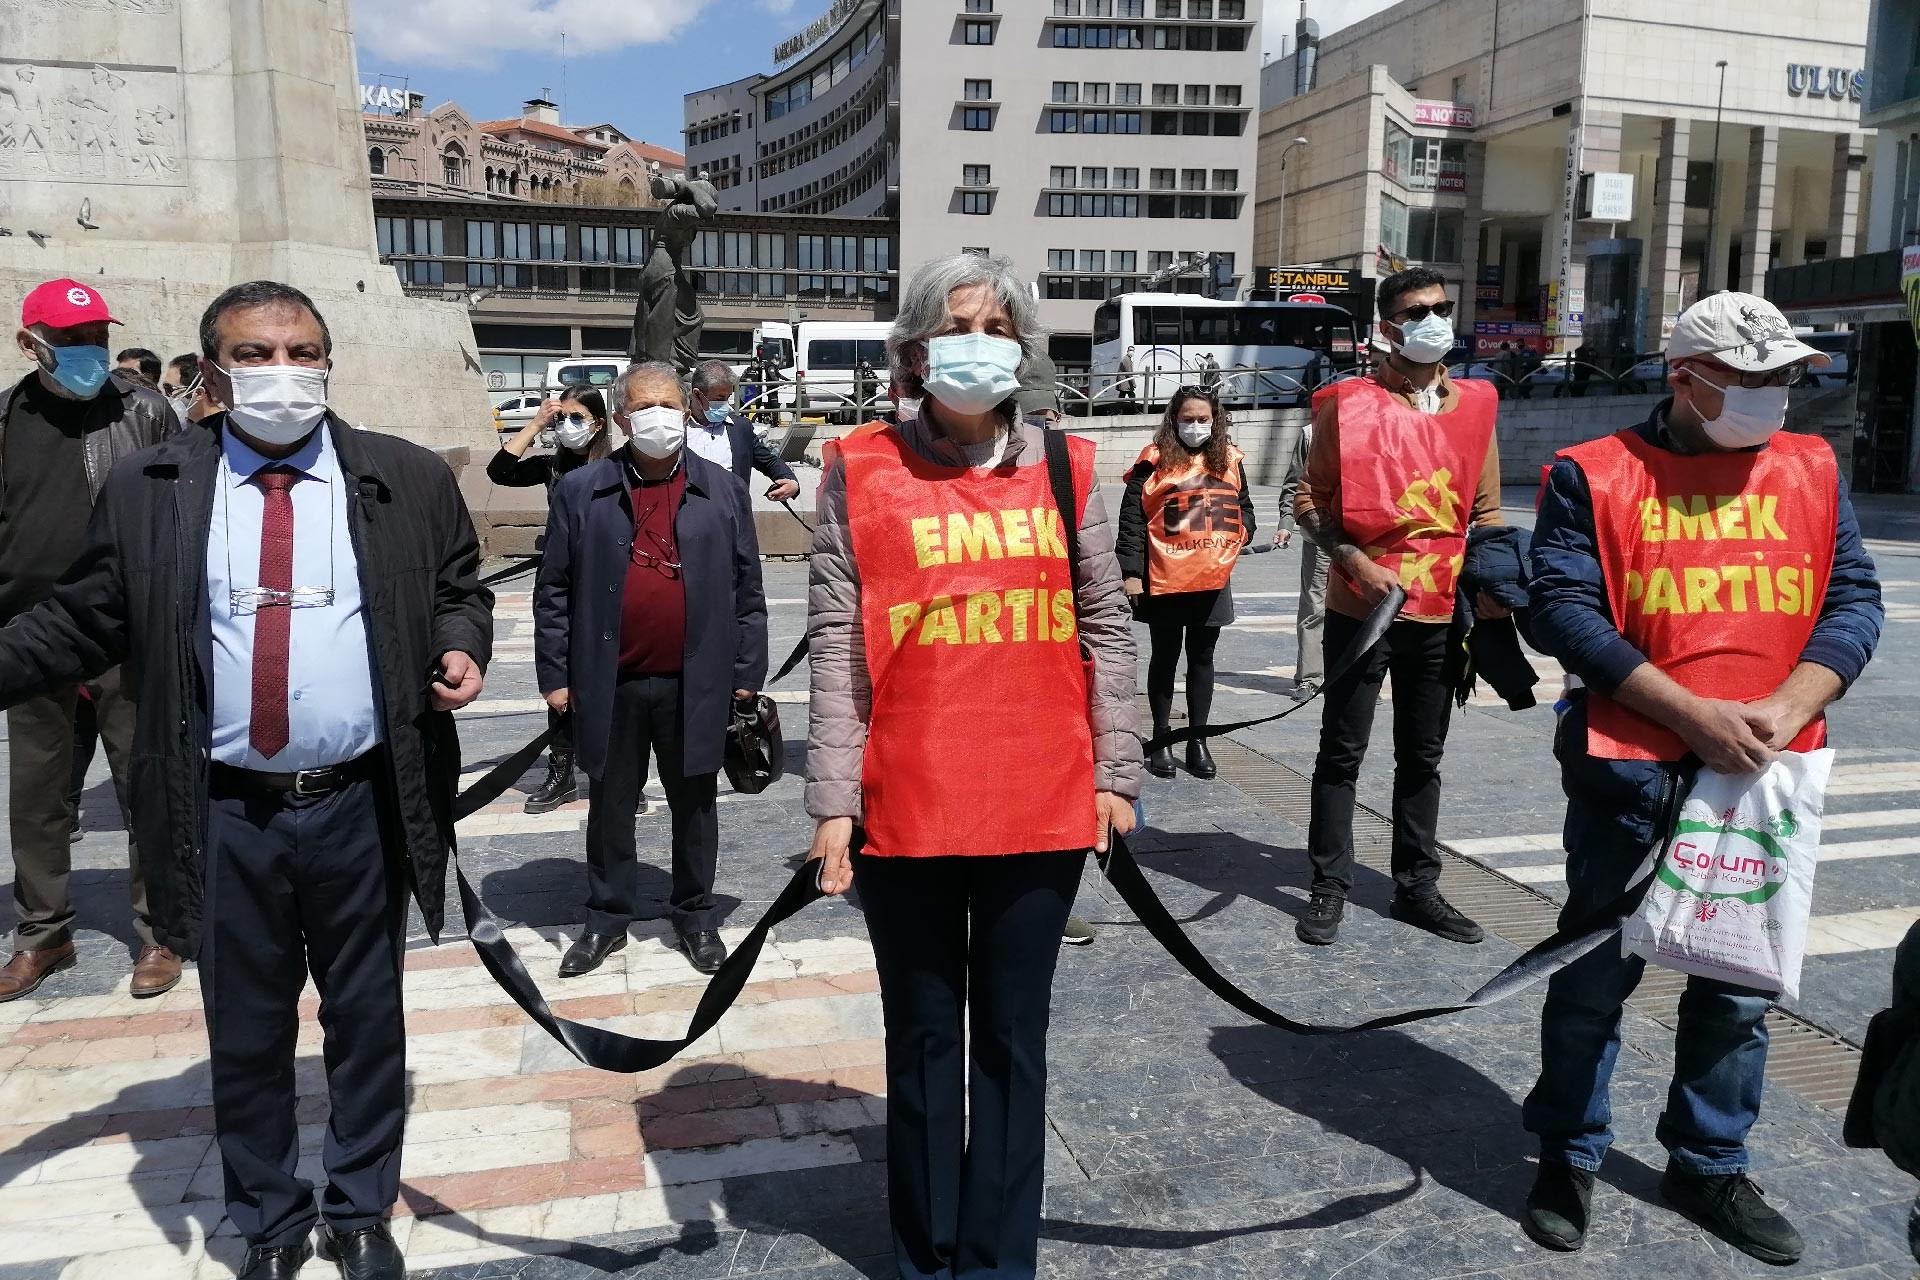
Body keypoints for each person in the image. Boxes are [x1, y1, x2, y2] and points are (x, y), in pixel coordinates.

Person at [0, 280, 490, 1279]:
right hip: (225, 808)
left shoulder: (401, 477)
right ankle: (269, 1216)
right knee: (250, 1027)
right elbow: (83, 617)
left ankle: (358, 1203)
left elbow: (455, 585)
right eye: (255, 354)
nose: (282, 371)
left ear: (327, 358)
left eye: (301, 349)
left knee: (366, 1017)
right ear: (214, 370)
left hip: (358, 803)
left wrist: (459, 641)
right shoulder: (154, 485)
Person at [1520, 291, 1882, 1264]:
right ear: (1686, 377)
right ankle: (1567, 1149)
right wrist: (1687, 712)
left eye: (1783, 378)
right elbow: (1560, 607)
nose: (1774, 396)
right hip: (1631, 771)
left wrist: (1794, 701)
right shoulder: (1592, 474)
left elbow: (1852, 598)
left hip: (1765, 771)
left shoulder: (1809, 467)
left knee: (1737, 985)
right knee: (1596, 972)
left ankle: (1709, 1158)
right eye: (1751, 380)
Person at [804, 252, 1143, 1280]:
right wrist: (830, 802)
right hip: (904, 802)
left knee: (1009, 1040)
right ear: (914, 349)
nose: (979, 345)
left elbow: (1108, 627)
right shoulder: (857, 466)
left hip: (1039, 802)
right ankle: (924, 1253)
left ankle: (997, 1261)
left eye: (999, 328)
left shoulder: (1068, 466)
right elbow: (835, 642)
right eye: (959, 326)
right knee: (920, 1042)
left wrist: (1115, 773)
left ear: (1023, 349)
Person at [1292, 266, 1503, 948]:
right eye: (1418, 311)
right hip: (1362, 608)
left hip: (1442, 611)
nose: (1434, 320)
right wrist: (1353, 560)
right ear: (1388, 328)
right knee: (1341, 753)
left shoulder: (1476, 407)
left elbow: (1488, 510)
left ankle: (1417, 887)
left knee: (1423, 756)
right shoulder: (1347, 406)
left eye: (1442, 307)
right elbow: (1308, 499)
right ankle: (1329, 884)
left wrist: (1497, 581)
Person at [537, 361, 768, 979]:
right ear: (621, 417)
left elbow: (748, 587)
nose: (660, 417)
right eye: (646, 407)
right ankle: (607, 917)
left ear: (686, 410)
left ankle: (695, 913)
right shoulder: (581, 491)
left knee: (695, 802)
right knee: (610, 803)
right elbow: (554, 589)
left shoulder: (721, 489)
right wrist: (555, 676)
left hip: (695, 681)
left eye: (670, 405)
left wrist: (749, 670)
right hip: (608, 682)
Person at [0, 278, 178, 1001]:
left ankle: (162, 930)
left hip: (124, 634)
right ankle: (44, 933)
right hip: (27, 636)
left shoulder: (144, 408)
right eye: (72, 340)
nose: (89, 353)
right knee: (38, 795)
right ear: (31, 343)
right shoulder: (7, 418)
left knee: (147, 785)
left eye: (96, 338)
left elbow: (183, 502)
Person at [1118, 385, 1255, 780]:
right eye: (1187, 419)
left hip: (1211, 577)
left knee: (1202, 657)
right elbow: (1132, 519)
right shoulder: (1153, 461)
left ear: (1216, 420)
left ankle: (1198, 739)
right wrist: (1131, 574)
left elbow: (1244, 507)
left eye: (1203, 419)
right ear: (1173, 420)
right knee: (1164, 656)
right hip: (1163, 577)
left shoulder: (1229, 460)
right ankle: (1161, 738)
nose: (1195, 426)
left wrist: (1239, 532)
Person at [488, 386, 613, 814]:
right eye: (562, 419)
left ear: (598, 422)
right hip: (561, 581)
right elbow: (500, 471)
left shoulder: (618, 466)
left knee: (614, 677)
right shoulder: (553, 468)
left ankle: (616, 773)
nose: (568, 427)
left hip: (608, 583)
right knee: (561, 677)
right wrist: (537, 422)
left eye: (577, 418)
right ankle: (562, 771)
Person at [685, 359, 801, 501]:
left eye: (728, 398)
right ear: (697, 395)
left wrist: (790, 481)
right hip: (690, 515)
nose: (725, 405)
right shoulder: (677, 429)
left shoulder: (740, 428)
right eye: (719, 398)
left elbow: (768, 461)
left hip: (733, 515)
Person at [1275, 419, 1327, 699]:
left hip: (1364, 538)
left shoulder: (1375, 429)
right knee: (1314, 607)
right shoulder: (1310, 433)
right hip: (1320, 534)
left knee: (1363, 607)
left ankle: (1357, 676)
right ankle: (1309, 679)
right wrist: (1286, 522)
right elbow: (1294, 484)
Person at [161, 351, 219, 425]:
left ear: (199, 393)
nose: (166, 396)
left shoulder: (225, 429)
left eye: (169, 389)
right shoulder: (182, 427)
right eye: (165, 388)